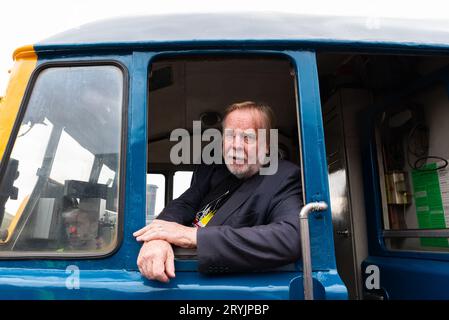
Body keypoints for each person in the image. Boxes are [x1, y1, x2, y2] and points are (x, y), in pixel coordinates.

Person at [134, 101, 303, 283]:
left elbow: (289, 238)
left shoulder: (284, 177)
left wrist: (191, 236)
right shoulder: (214, 170)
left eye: (248, 138)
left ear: (267, 145)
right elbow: (184, 204)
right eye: (230, 136)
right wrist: (158, 238)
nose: (236, 146)